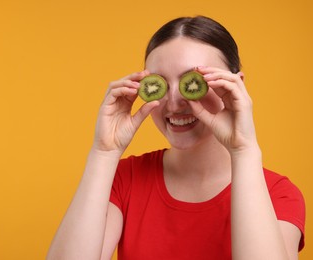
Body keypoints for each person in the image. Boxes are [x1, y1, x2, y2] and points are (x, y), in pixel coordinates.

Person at [47, 16, 305, 260]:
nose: (173, 102)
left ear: (234, 86)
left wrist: (245, 151)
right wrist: (103, 153)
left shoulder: (278, 195)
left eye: (193, 82)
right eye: (160, 83)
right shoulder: (125, 179)